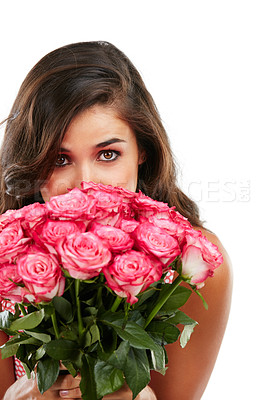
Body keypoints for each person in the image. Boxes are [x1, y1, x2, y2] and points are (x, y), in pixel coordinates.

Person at [0, 41, 232, 400]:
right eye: (60, 159)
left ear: (143, 152)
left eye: (108, 154)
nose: (85, 184)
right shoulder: (7, 258)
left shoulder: (197, 262)